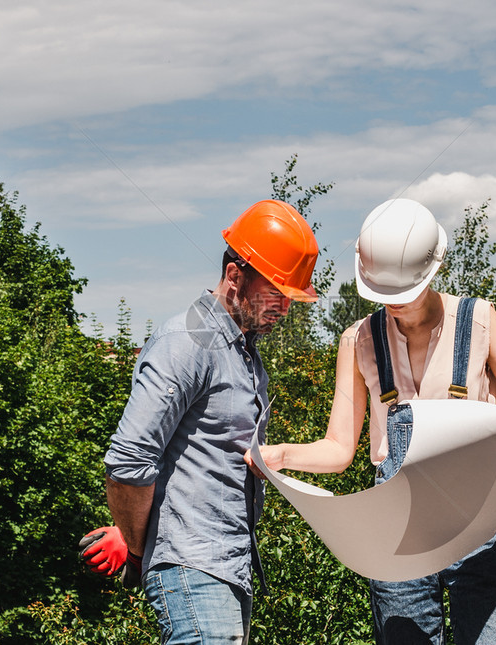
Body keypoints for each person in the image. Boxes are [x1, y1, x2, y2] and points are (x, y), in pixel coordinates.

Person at [245, 198, 496, 645]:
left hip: (481, 526)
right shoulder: (358, 340)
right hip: (398, 527)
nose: (392, 305)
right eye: (382, 296)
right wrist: (281, 454)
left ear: (433, 271)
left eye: (402, 294)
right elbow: (338, 449)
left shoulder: (480, 321)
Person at [79, 199, 319, 644]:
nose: (284, 309)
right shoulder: (188, 340)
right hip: (195, 568)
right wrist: (136, 547)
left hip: (226, 567)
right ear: (234, 277)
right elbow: (129, 460)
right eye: (275, 294)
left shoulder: (243, 352)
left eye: (290, 298)